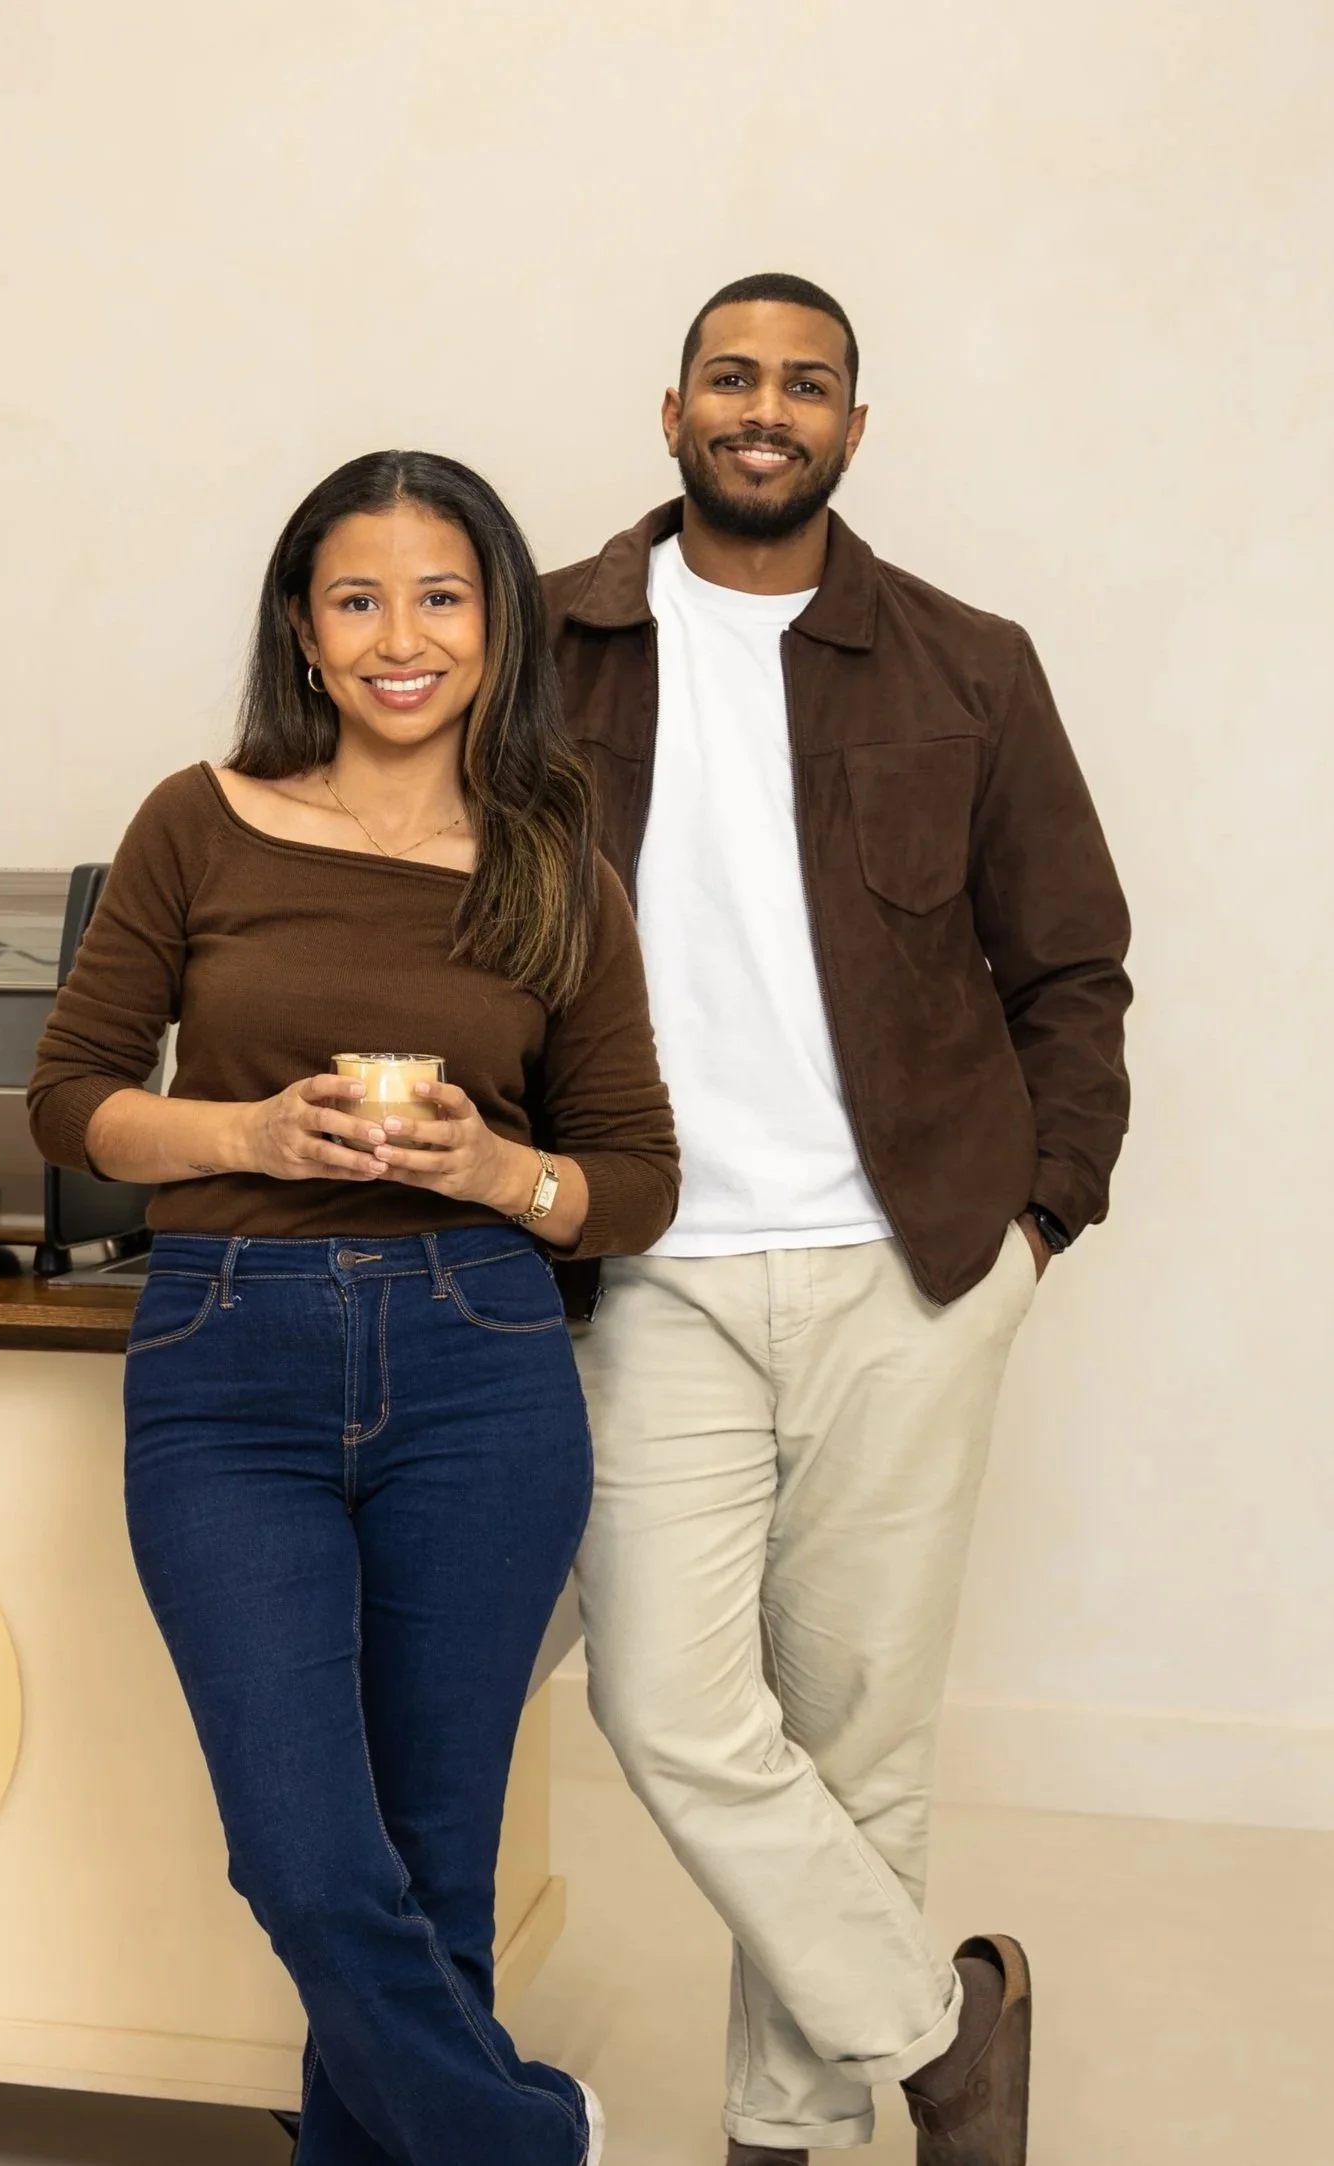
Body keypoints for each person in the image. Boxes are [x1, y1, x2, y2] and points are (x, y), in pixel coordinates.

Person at [30, 449, 679, 2166]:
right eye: (358, 599)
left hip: (478, 1360)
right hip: (223, 1356)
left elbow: (633, 1177)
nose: (403, 637)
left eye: (441, 596)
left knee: (434, 1867)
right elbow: (71, 1098)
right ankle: (530, 2139)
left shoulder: (554, 864)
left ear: (497, 625)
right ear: (302, 631)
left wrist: (497, 1169)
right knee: (308, 1858)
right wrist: (243, 1132)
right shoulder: (195, 820)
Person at [545, 272, 1131, 2166]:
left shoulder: (970, 664)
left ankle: (780, 2132)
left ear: (852, 430)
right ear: (670, 412)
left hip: (912, 1263)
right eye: (730, 376)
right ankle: (946, 2036)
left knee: (858, 1730)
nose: (765, 408)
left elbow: (1072, 966)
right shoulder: (543, 649)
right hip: (651, 1265)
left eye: (805, 384)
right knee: (666, 1702)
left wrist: (1037, 1224)